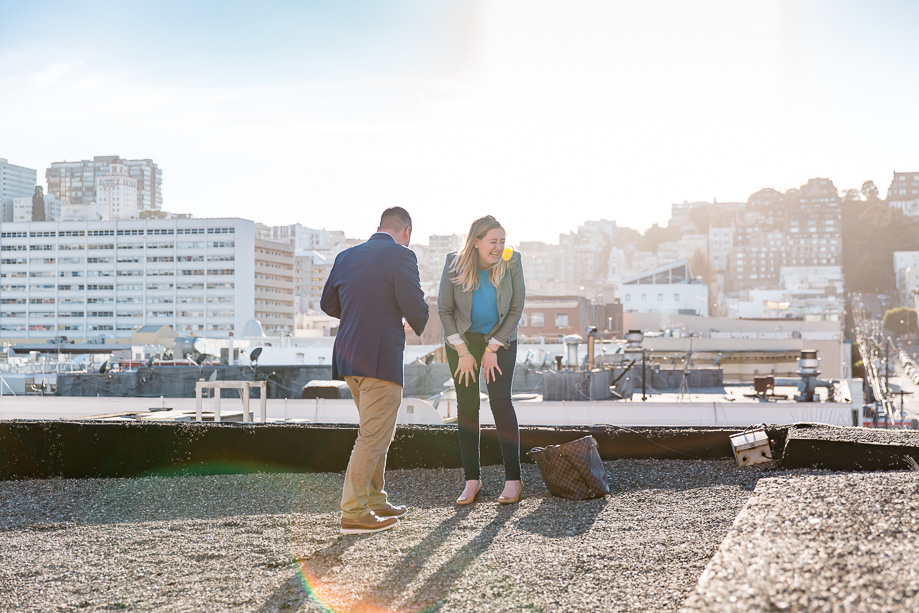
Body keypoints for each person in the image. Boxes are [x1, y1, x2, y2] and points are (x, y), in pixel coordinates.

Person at [321, 207, 428, 534]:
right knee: (373, 435)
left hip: (349, 357)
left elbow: (328, 304)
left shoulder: (346, 256)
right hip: (380, 358)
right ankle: (354, 512)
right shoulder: (402, 256)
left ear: (379, 227)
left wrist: (361, 313)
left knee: (378, 430)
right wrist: (408, 318)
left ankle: (375, 499)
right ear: (407, 232)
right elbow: (417, 309)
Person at [437, 215, 526, 505]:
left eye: (502, 241)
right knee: (467, 407)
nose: (499, 247)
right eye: (493, 242)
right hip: (462, 342)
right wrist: (463, 352)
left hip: (499, 339)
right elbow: (445, 310)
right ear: (476, 242)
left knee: (501, 403)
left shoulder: (512, 261)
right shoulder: (454, 262)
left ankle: (514, 480)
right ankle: (472, 481)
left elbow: (516, 308)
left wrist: (492, 348)